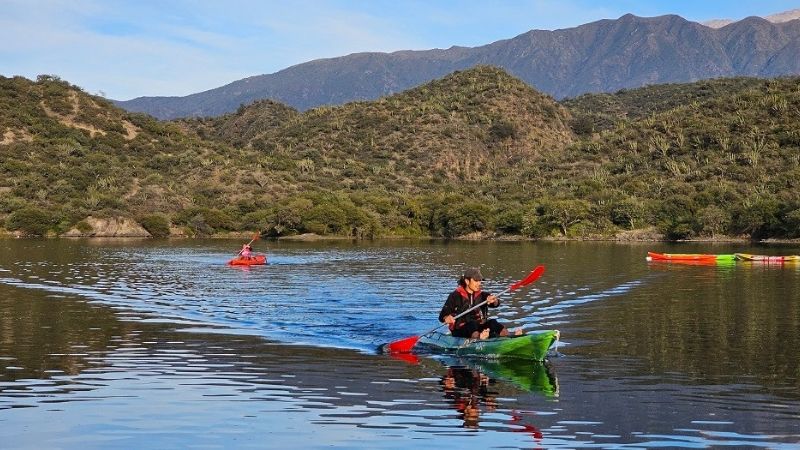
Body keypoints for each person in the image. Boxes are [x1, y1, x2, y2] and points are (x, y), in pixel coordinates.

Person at [438, 267, 522, 339]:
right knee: (472, 325)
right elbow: (442, 316)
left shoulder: (483, 295)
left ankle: (509, 337)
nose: (479, 283)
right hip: (461, 330)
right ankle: (479, 341)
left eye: (480, 281)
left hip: (479, 327)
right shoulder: (455, 296)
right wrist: (446, 318)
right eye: (476, 281)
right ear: (467, 281)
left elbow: (496, 303)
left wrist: (494, 300)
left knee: (493, 323)